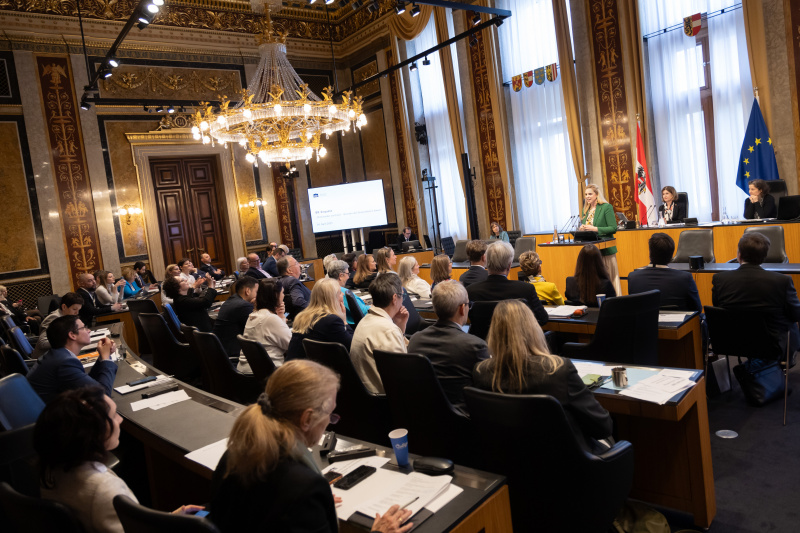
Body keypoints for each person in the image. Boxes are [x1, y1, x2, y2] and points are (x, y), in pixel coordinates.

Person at [208, 360, 413, 533]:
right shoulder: (303, 487)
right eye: (330, 415)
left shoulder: (234, 454)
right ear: (307, 418)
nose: (329, 422)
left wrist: (315, 507)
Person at [34, 387, 202, 533]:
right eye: (114, 416)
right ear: (93, 433)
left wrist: (168, 519)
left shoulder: (53, 470)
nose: (120, 420)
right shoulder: (104, 490)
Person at [473, 300, 613, 451]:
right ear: (533, 328)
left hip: (511, 461)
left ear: (494, 332)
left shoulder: (481, 372)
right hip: (570, 463)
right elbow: (603, 427)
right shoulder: (558, 370)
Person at [712, 232, 800, 361]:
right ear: (764, 257)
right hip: (773, 345)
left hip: (734, 342)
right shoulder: (782, 281)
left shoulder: (720, 279)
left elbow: (718, 308)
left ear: (739, 255)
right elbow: (795, 315)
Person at [408, 281, 489, 412]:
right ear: (462, 308)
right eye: (469, 305)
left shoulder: (415, 340)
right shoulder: (475, 346)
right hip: (464, 420)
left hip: (426, 416)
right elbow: (487, 390)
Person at [27, 315, 118, 402]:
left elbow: (87, 383)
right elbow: (103, 397)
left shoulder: (58, 355)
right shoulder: (64, 363)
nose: (89, 330)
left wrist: (103, 356)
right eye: (84, 328)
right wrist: (106, 359)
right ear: (72, 335)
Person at [350, 274, 409, 394]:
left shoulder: (366, 320)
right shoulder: (388, 330)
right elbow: (402, 375)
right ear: (394, 298)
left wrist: (400, 327)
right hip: (386, 401)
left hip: (368, 397)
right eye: (402, 296)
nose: (403, 300)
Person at [466, 242, 548, 326]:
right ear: (509, 266)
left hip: (482, 339)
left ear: (486, 263)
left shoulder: (470, 291)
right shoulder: (526, 289)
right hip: (517, 338)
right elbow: (543, 319)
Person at [628, 233, 702, 312]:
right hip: (681, 323)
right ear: (671, 256)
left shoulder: (633, 277)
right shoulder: (685, 278)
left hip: (645, 323)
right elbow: (698, 309)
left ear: (650, 253)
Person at [285, 278, 353, 360]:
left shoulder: (302, 316)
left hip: (294, 368)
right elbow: (353, 347)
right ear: (332, 298)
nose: (342, 294)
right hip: (314, 370)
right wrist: (344, 321)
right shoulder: (331, 320)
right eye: (339, 293)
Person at [237, 279, 291, 373]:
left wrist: (281, 316)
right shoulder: (270, 319)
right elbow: (290, 345)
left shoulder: (254, 315)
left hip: (248, 371)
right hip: (268, 373)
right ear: (275, 295)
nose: (283, 296)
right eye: (282, 292)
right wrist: (280, 318)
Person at [578, 184, 620, 295]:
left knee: (608, 279)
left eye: (590, 194)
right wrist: (583, 228)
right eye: (586, 194)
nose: (587, 196)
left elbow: (613, 228)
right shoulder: (586, 210)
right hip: (592, 250)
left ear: (597, 195)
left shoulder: (606, 207)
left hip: (605, 249)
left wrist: (594, 228)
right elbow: (588, 228)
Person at [213, 276, 258, 357]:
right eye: (256, 292)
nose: (257, 295)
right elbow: (257, 329)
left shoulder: (232, 300)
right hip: (234, 354)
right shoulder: (244, 306)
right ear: (247, 291)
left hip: (221, 351)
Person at [32, 292, 84, 359]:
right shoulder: (54, 318)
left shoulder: (66, 317)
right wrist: (68, 340)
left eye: (78, 310)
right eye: (74, 309)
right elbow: (43, 343)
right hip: (46, 359)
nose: (77, 313)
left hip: (58, 354)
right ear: (64, 307)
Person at [327, 259, 370, 326]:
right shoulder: (342, 292)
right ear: (341, 276)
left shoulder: (328, 289)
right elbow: (364, 311)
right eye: (347, 274)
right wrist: (374, 307)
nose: (348, 277)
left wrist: (358, 303)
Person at [277, 255, 311, 320]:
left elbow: (288, 311)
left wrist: (286, 316)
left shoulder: (280, 281)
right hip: (306, 319)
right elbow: (298, 301)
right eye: (296, 263)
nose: (299, 265)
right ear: (289, 270)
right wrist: (316, 310)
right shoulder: (292, 281)